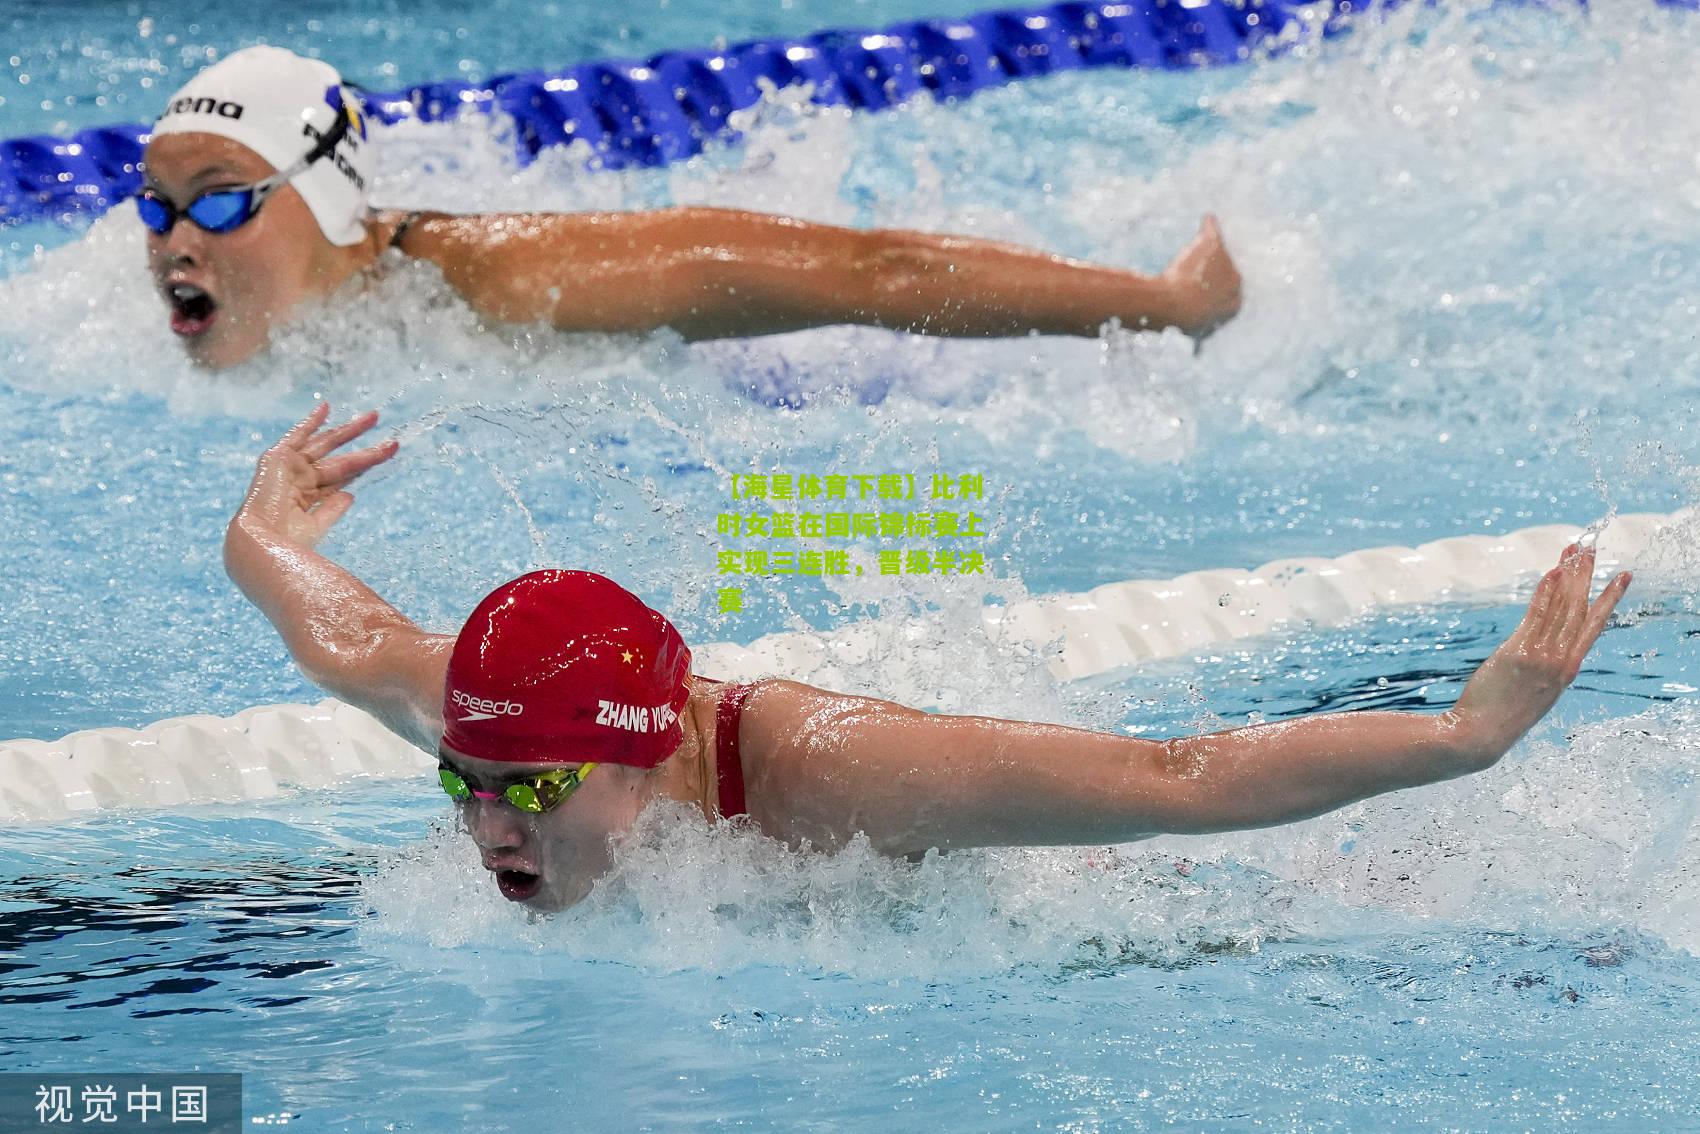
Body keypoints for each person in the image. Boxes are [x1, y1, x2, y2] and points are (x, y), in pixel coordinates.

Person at [226, 404, 1633, 910]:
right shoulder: (490, 721)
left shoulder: (831, 776)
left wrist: (1463, 736)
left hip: (1078, 899)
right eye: (462, 782)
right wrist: (259, 526)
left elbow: (1177, 771)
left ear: (644, 749)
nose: (482, 821)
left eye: (524, 791)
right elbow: (341, 630)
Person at [142, 46, 1243, 370]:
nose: (175, 243)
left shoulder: (507, 280)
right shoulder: (137, 315)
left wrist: (1161, 302)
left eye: (222, 203)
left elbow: (871, 277)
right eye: (156, 210)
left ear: (326, 194)